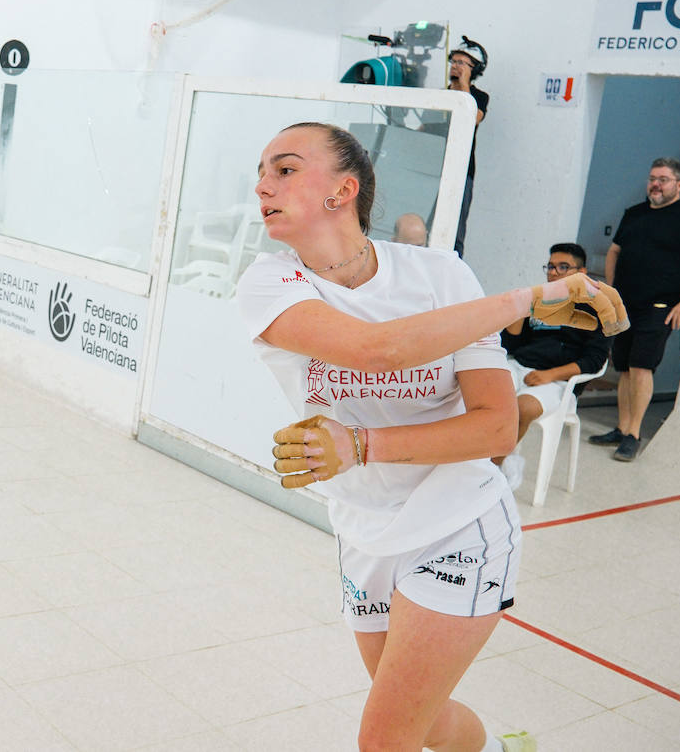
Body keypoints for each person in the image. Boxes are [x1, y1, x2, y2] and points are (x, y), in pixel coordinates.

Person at [239, 122, 627, 752]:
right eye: (260, 171)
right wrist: (532, 298)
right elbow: (379, 349)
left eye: (284, 169)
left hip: (459, 524)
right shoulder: (269, 282)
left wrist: (361, 446)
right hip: (363, 529)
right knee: (427, 721)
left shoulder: (440, 275)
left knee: (385, 739)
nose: (261, 185)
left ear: (344, 190)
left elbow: (496, 426)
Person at [589, 157, 680, 462]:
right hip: (625, 305)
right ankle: (621, 428)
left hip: (660, 307)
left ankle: (634, 434)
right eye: (652, 178)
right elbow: (614, 251)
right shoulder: (634, 214)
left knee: (641, 367)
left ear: (679, 184)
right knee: (622, 367)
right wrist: (611, 289)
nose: (656, 184)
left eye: (663, 179)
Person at [493, 244, 611, 489]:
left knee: (522, 408)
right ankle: (490, 460)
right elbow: (510, 344)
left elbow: (594, 361)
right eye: (551, 266)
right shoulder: (539, 300)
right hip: (520, 367)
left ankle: (490, 470)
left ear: (582, 272)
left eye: (563, 267)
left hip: (560, 382)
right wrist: (519, 308)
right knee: (482, 391)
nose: (554, 272)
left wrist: (550, 375)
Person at [447, 37, 489, 257]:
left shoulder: (479, 97)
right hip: (436, 166)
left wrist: (462, 85)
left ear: (474, 70)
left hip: (462, 172)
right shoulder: (441, 94)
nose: (456, 66)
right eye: (454, 61)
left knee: (456, 232)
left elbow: (473, 117)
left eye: (462, 63)